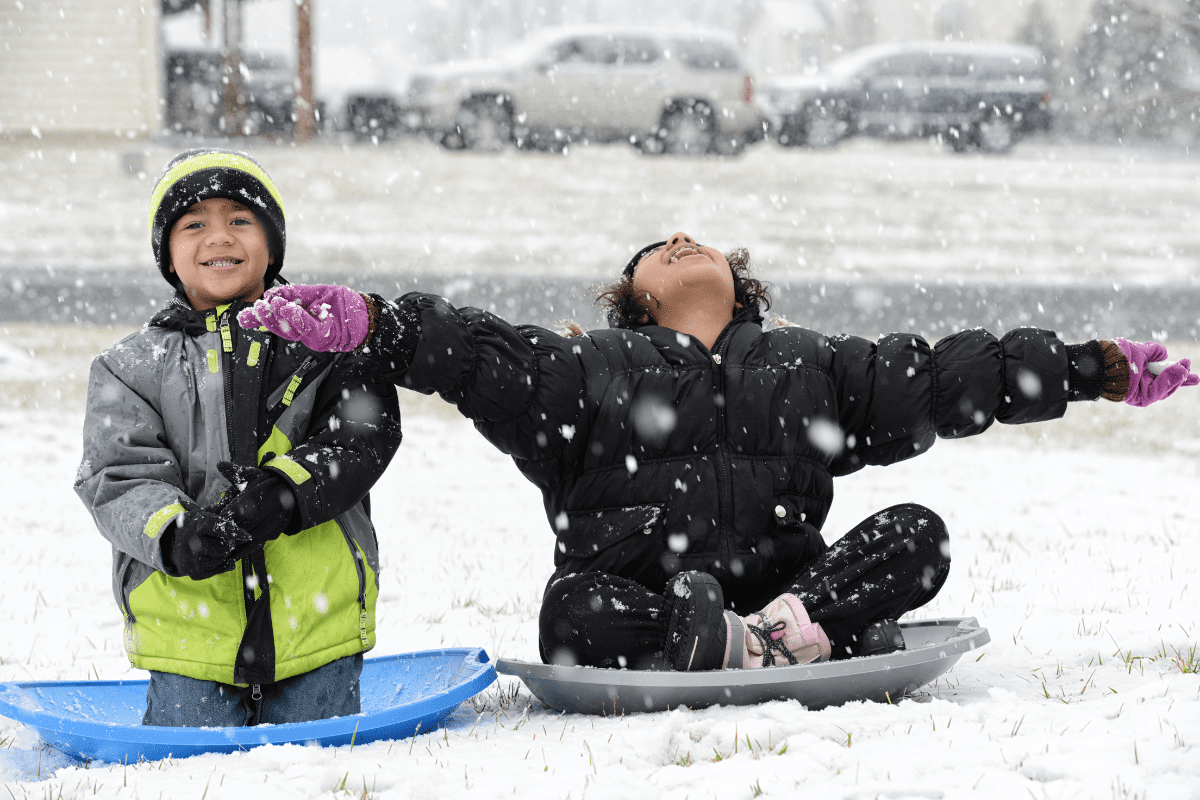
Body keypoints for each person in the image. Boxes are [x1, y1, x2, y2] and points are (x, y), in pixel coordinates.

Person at [240, 232, 1197, 673]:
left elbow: (953, 376)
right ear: (634, 296)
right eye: (659, 248)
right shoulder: (587, 368)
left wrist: (1091, 368)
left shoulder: (813, 366)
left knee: (919, 537)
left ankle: (789, 628)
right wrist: (376, 322)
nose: (684, 242)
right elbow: (477, 355)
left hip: (788, 582)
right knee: (570, 615)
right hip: (644, 600)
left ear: (742, 287)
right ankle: (729, 640)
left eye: (697, 242)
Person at [74, 149, 403, 726]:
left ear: (271, 247)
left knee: (318, 761)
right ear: (169, 257)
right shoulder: (129, 366)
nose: (218, 237)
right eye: (194, 224)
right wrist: (177, 534)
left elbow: (363, 437)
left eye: (240, 220)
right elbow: (117, 476)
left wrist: (283, 492)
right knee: (189, 766)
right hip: (188, 623)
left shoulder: (328, 341)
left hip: (314, 617)